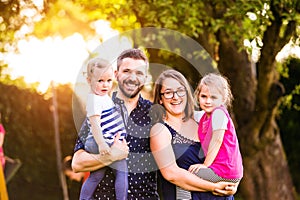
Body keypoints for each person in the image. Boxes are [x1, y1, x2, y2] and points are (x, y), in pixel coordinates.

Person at [72, 48, 159, 199]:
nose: (132, 78)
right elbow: (77, 163)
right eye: (126, 71)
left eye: (139, 73)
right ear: (116, 75)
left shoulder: (155, 113)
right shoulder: (99, 107)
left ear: (145, 78)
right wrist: (111, 156)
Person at [150, 69, 238, 199]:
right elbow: (171, 174)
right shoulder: (160, 130)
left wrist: (232, 182)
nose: (175, 97)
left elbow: (230, 150)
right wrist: (215, 187)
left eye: (180, 91)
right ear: (161, 99)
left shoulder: (203, 119)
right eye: (168, 93)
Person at [78, 57, 128, 200]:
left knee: (96, 175)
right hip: (99, 142)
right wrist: (102, 144)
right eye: (100, 81)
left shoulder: (104, 97)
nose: (105, 85)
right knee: (122, 172)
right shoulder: (94, 100)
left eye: (109, 81)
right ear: (89, 81)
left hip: (106, 140)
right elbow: (94, 124)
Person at [189, 73, 243, 184]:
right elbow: (188, 114)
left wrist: (205, 165)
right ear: (198, 96)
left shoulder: (219, 114)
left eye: (213, 97)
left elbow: (217, 140)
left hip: (225, 171)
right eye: (204, 96)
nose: (208, 101)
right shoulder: (204, 116)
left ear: (223, 99)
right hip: (221, 170)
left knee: (186, 177)